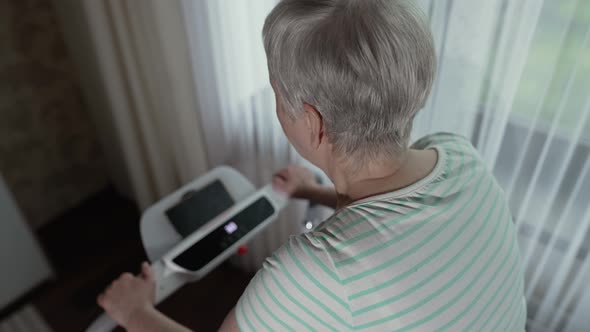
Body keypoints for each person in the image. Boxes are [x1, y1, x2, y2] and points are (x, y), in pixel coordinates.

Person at [98, 0, 527, 330]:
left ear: (314, 123)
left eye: (277, 94)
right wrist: (314, 191)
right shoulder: (458, 155)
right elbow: (397, 219)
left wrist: (134, 311)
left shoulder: (311, 274)